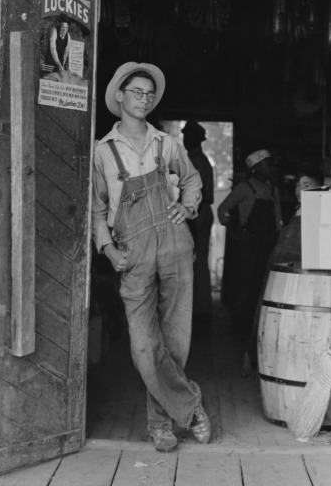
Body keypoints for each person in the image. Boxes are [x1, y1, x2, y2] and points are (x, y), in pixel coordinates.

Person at [92, 62, 211, 452]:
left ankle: (160, 425)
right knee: (145, 347)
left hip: (174, 245)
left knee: (174, 343)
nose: (143, 99)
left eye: (149, 93)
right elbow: (97, 208)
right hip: (133, 253)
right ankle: (191, 407)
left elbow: (192, 180)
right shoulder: (104, 152)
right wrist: (108, 249)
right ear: (120, 97)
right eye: (136, 92)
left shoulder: (167, 144)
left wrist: (188, 208)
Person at [217, 149, 281, 339]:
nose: (270, 168)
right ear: (256, 167)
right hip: (248, 245)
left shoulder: (273, 190)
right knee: (244, 287)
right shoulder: (244, 188)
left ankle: (257, 328)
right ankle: (239, 329)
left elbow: (278, 222)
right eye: (267, 164)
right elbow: (222, 210)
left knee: (262, 287)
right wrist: (235, 232)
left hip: (266, 245)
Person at [182, 121, 215, 322]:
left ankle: (200, 311)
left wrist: (191, 220)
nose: (185, 140)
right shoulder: (195, 159)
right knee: (196, 263)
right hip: (198, 213)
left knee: (197, 263)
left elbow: (198, 193)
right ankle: (199, 309)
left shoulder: (198, 161)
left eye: (187, 136)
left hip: (198, 214)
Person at [270, 169, 323, 266]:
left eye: (306, 186)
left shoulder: (319, 212)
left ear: (319, 189)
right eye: (298, 185)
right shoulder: (298, 209)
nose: (300, 190)